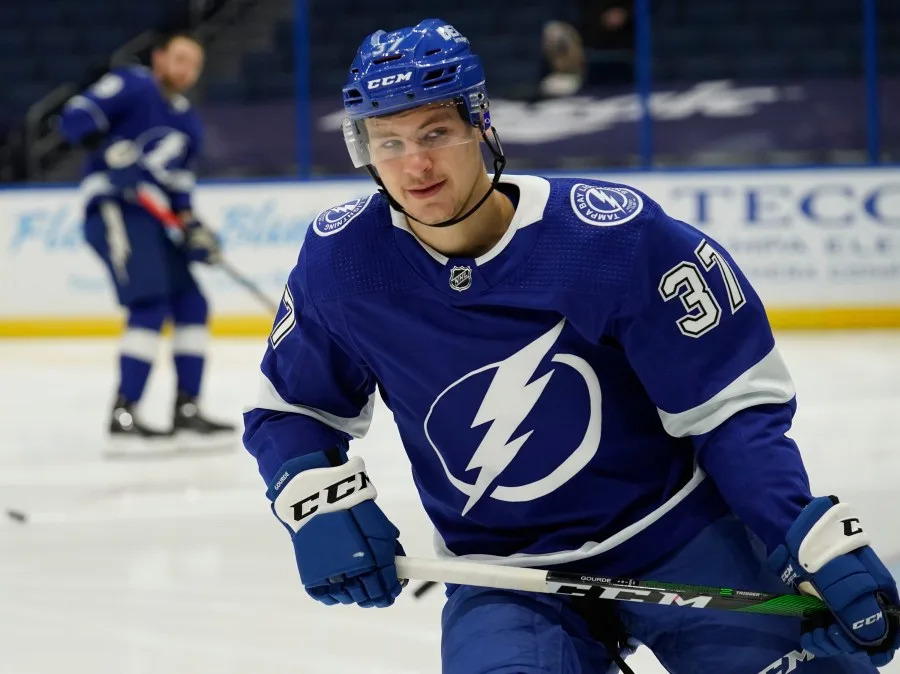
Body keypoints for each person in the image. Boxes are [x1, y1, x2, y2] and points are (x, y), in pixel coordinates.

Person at [242, 18, 898, 673]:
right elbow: (291, 410)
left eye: (435, 133)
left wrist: (804, 534)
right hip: (503, 574)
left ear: (481, 124)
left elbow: (730, 411)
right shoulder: (345, 264)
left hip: (683, 536)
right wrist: (313, 492)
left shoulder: (611, 241)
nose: (414, 165)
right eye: (388, 142)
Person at [60, 32, 235, 456]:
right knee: (151, 304)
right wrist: (107, 148)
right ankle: (125, 412)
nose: (185, 70)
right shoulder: (133, 84)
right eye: (178, 58)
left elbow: (179, 191)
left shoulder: (188, 123)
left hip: (153, 218)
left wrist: (193, 228)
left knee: (192, 303)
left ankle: (187, 409)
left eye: (193, 63)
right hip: (115, 206)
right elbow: (72, 120)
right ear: (159, 59)